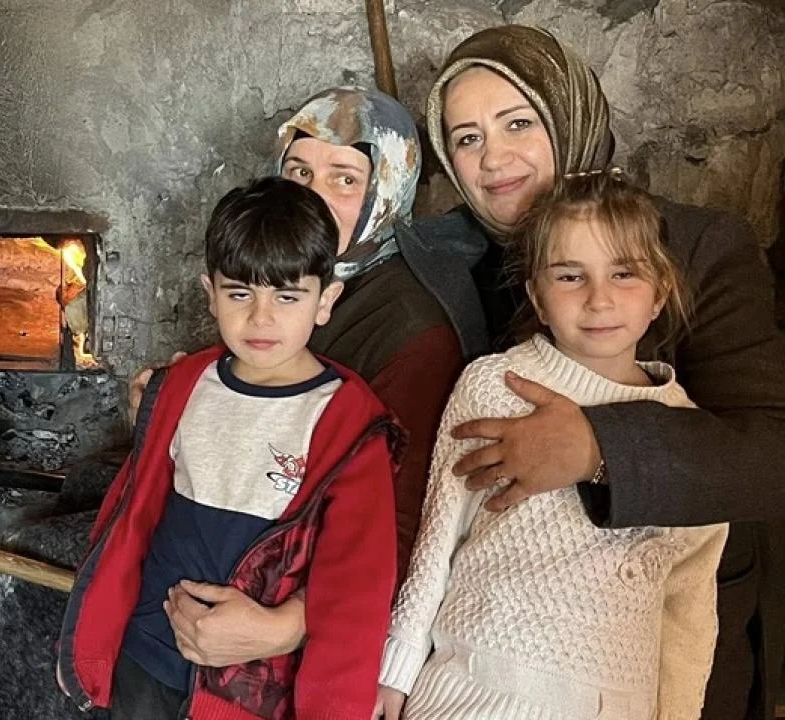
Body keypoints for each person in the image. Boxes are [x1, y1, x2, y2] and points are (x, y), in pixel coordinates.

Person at [136, 26, 785, 719]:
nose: (494, 158)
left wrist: (598, 448)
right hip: (475, 659)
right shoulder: (444, 262)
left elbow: (770, 452)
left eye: (518, 123)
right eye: (468, 138)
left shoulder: (696, 248)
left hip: (646, 657)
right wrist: (205, 392)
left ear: (570, 115)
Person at [375, 173, 728, 720]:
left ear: (660, 292)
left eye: (624, 273)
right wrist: (396, 669)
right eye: (570, 276)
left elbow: (689, 604)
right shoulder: (494, 386)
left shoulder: (687, 432)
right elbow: (438, 539)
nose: (599, 299)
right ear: (537, 297)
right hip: (471, 691)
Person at [57, 177, 400, 720]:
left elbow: (355, 592)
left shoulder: (347, 423)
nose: (261, 318)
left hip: (247, 693)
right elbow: (134, 514)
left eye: (287, 296)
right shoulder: (182, 385)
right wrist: (95, 639)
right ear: (210, 293)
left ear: (326, 301)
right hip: (145, 657)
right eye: (240, 293)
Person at [155, 88, 471, 670]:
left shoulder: (413, 329)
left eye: (345, 179)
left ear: (387, 193)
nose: (312, 197)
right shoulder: (280, 274)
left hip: (288, 597)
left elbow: (399, 524)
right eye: (299, 171)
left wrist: (290, 625)